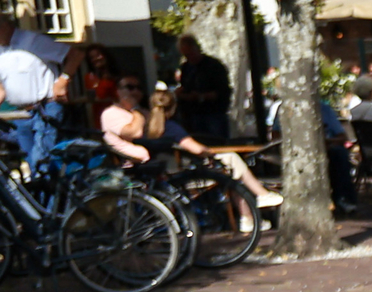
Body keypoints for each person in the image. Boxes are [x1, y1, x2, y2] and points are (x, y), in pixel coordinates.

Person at [100, 77, 278, 203]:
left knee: (230, 167)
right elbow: (195, 149)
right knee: (231, 160)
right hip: (178, 171)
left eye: (138, 87)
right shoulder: (163, 125)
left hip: (164, 168)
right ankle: (262, 196)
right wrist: (210, 152)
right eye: (129, 87)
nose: (135, 91)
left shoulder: (147, 122)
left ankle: (249, 217)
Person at [0, 15, 71, 170]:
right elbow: (1, 89)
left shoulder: (32, 40)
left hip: (45, 107)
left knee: (40, 160)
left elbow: (75, 54)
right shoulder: (1, 51)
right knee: (31, 161)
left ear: (4, 26)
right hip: (21, 114)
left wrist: (62, 81)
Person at [175, 36, 232, 143]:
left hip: (213, 112)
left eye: (190, 54)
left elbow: (222, 91)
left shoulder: (214, 66)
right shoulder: (186, 67)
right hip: (192, 113)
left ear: (197, 49)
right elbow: (185, 86)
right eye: (186, 55)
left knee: (217, 142)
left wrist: (201, 96)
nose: (190, 58)